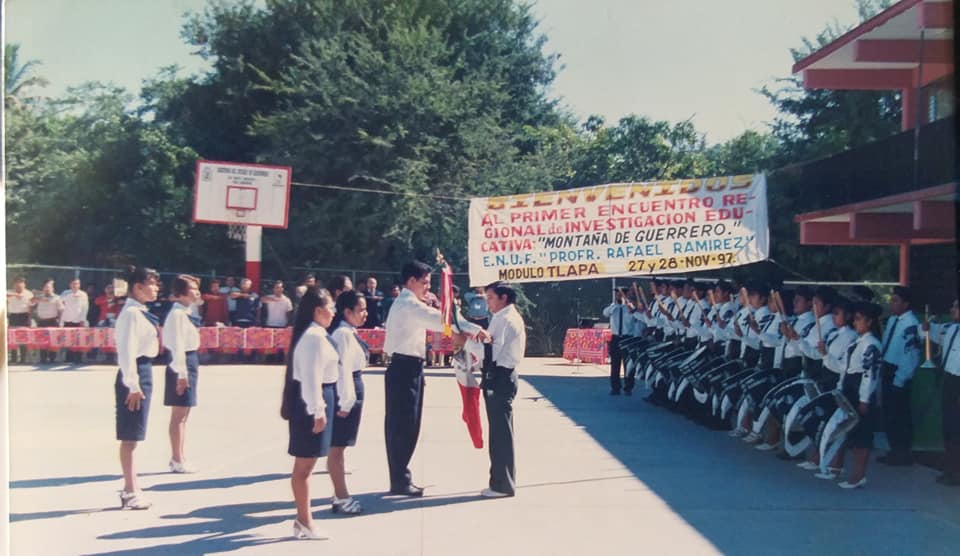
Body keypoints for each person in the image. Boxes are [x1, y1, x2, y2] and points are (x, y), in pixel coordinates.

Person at [382, 261, 489, 496]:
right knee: (403, 426)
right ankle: (399, 480)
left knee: (409, 423)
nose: (428, 287)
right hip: (403, 368)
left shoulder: (412, 303)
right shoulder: (409, 305)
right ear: (411, 281)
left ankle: (400, 476)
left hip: (410, 367)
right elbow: (444, 321)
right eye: (425, 282)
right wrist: (473, 328)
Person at [281, 287, 337, 540]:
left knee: (308, 465)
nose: (333, 312)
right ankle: (305, 521)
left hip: (319, 398)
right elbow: (311, 379)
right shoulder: (313, 337)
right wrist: (318, 411)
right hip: (311, 402)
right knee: (304, 467)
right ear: (317, 310)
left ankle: (302, 520)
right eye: (330, 307)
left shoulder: (317, 334)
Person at [114, 266, 161, 510]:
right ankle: (130, 490)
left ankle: (132, 486)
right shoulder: (131, 313)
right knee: (130, 435)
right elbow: (126, 351)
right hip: (134, 374)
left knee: (135, 434)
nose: (156, 288)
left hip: (143, 370)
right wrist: (132, 384)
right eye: (151, 283)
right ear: (137, 287)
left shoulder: (139, 312)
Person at [831, 301, 883, 489]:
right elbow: (844, 368)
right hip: (849, 388)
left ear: (869, 322)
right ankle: (838, 467)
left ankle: (858, 475)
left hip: (860, 391)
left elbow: (870, 374)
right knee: (848, 432)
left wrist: (864, 399)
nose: (855, 322)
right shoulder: (856, 341)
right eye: (855, 318)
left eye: (859, 319)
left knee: (862, 436)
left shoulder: (871, 344)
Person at [481, 281, 526, 498]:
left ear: (503, 298)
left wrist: (467, 341)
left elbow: (492, 351)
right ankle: (498, 480)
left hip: (501, 376)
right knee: (498, 432)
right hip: (497, 376)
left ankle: (503, 484)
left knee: (501, 434)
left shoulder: (507, 319)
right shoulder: (501, 317)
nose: (487, 302)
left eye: (490, 297)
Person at [328, 290, 369, 514]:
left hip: (353, 388)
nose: (365, 313)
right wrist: (346, 402)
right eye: (360, 309)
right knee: (337, 449)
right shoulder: (342, 334)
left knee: (341, 448)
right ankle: (342, 497)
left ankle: (338, 493)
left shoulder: (348, 331)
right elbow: (342, 369)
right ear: (347, 312)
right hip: (347, 390)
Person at [163, 275, 202, 474]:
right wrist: (181, 373)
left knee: (184, 414)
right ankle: (177, 458)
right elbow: (177, 346)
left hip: (190, 360)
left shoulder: (186, 312)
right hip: (182, 362)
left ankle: (180, 455)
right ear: (181, 293)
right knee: (179, 415)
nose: (197, 292)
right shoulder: (177, 314)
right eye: (193, 289)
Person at [877, 286, 921, 466]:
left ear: (906, 303)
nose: (892, 304)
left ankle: (902, 452)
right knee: (890, 413)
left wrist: (900, 379)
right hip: (887, 367)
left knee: (899, 414)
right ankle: (894, 449)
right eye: (892, 300)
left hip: (898, 372)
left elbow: (910, 355)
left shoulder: (910, 324)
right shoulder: (894, 320)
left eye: (896, 300)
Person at [921, 299, 960, 486]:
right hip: (950, 379)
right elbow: (934, 332)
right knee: (949, 425)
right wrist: (928, 326)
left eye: (956, 307)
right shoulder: (951, 328)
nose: (952, 309)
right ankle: (951, 468)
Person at [603, 288, 636, 395]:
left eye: (621, 294)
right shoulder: (613, 307)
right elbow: (605, 313)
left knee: (628, 364)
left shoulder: (630, 307)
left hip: (627, 337)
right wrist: (616, 305)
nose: (618, 296)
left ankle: (628, 387)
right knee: (615, 364)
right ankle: (615, 387)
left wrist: (626, 303)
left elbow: (635, 313)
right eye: (617, 294)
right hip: (616, 337)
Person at [33, 279, 64, 363]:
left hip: (52, 321)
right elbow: (31, 304)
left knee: (53, 341)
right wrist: (36, 297)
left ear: (52, 288)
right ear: (43, 289)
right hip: (42, 321)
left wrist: (61, 322)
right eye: (45, 287)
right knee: (42, 341)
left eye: (49, 287)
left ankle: (52, 359)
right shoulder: (39, 297)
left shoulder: (57, 298)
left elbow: (61, 310)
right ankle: (43, 358)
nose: (47, 289)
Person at [60, 278, 90, 363]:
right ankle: (69, 358)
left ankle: (79, 358)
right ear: (70, 285)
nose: (75, 285)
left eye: (77, 284)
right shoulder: (65, 293)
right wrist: (71, 295)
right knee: (68, 339)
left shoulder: (83, 294)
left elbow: (85, 307)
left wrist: (83, 320)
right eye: (73, 284)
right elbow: (60, 302)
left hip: (79, 319)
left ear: (79, 285)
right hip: (68, 319)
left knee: (79, 339)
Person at [7, 277, 34, 363]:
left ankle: (23, 359)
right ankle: (13, 359)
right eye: (18, 283)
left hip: (24, 316)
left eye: (21, 283)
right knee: (12, 338)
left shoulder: (29, 293)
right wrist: (15, 295)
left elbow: (31, 305)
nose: (19, 284)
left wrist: (30, 318)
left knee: (23, 338)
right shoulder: (9, 292)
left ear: (24, 284)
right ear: (14, 284)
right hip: (13, 316)